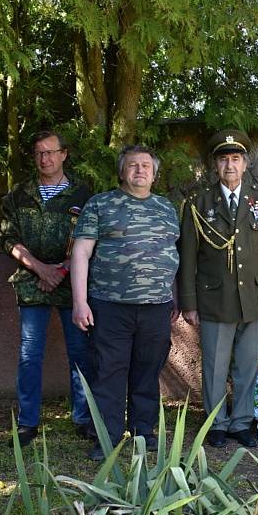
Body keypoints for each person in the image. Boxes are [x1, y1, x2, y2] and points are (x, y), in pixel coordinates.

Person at [71, 145, 180, 461]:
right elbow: (81, 253)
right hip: (109, 305)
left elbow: (171, 254)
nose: (140, 170)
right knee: (109, 372)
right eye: (132, 165)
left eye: (146, 165)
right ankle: (106, 438)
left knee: (148, 371)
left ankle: (144, 432)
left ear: (154, 173)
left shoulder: (166, 208)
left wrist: (172, 294)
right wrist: (80, 302)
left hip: (156, 307)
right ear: (122, 172)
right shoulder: (100, 205)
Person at [178, 130, 258, 448]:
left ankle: (241, 422)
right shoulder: (198, 204)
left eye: (235, 159)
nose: (230, 165)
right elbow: (187, 257)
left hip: (255, 295)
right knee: (215, 364)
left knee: (248, 362)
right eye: (224, 159)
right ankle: (216, 424)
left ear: (245, 163)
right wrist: (188, 302)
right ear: (215, 165)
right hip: (214, 296)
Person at [0, 130, 94, 446]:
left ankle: (83, 417)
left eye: (51, 152)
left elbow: (91, 238)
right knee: (30, 354)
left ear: (64, 154)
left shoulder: (84, 194)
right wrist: (41, 269)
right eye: (39, 153)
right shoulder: (18, 194)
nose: (45, 159)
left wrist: (61, 270)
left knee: (80, 352)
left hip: (72, 282)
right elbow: (7, 238)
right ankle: (27, 423)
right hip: (31, 280)